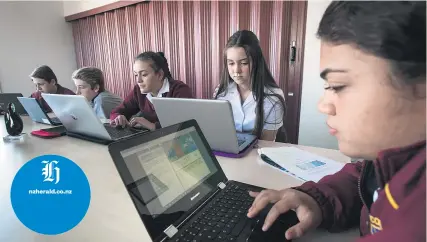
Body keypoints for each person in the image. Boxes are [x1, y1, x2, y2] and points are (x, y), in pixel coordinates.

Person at [247, 1, 426, 242]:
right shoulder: (390, 160)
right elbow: (367, 176)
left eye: (338, 85)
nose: (323, 105)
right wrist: (317, 199)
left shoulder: (416, 223)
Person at [214, 30, 286, 141]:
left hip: (258, 152)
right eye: (231, 63)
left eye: (244, 63)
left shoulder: (273, 97)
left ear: (256, 62)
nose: (236, 70)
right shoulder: (221, 92)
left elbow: (266, 143)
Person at [110, 51, 193, 130]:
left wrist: (152, 126)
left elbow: (185, 125)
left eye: (144, 74)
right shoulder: (138, 90)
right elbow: (116, 112)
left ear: (160, 75)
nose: (138, 80)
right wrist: (118, 117)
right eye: (136, 74)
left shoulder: (179, 90)